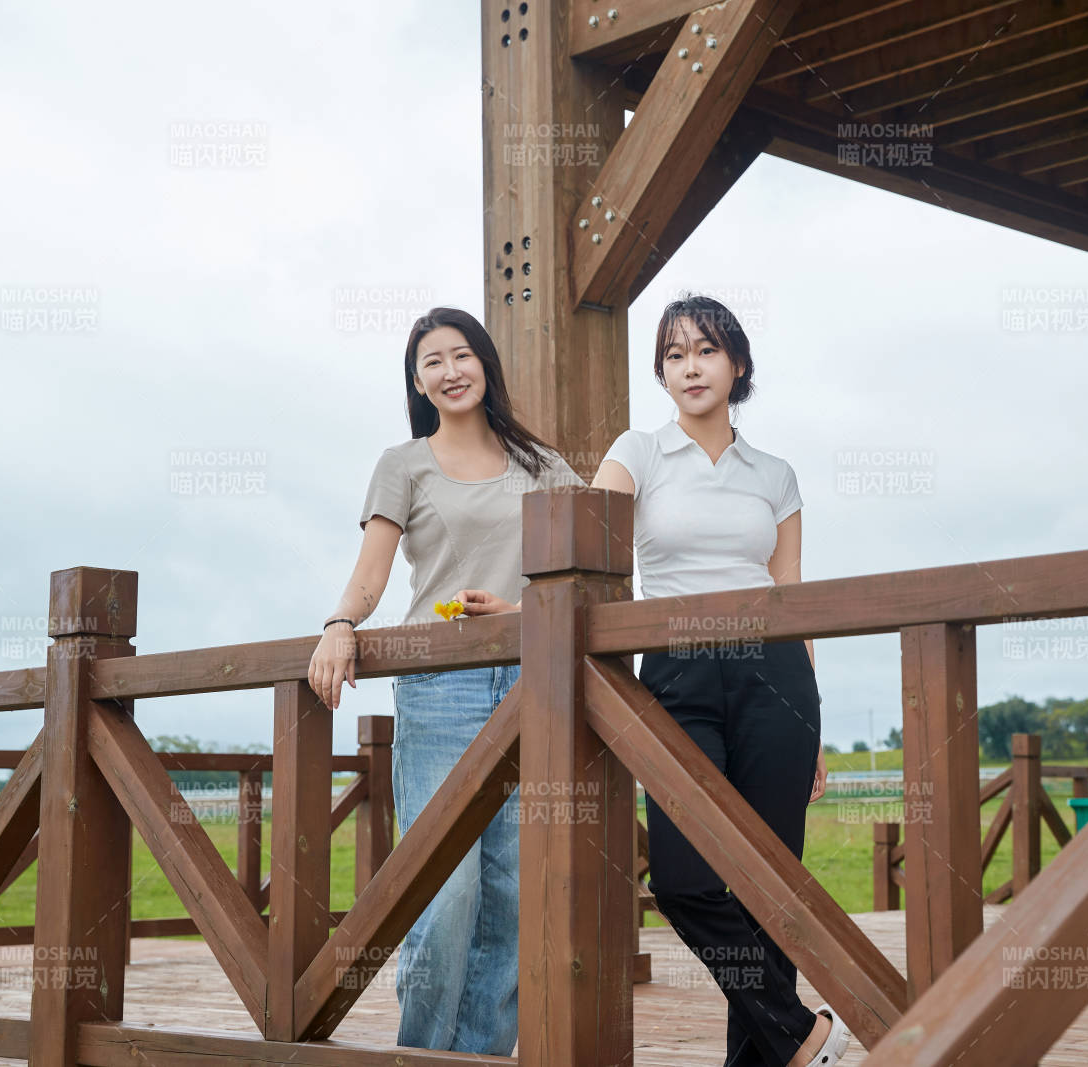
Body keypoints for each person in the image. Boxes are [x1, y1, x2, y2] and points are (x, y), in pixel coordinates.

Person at [307, 306, 584, 1053]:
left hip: (531, 682)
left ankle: (487, 1057)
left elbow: (590, 571)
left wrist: (522, 608)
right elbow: (370, 578)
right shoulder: (404, 464)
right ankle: (424, 1053)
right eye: (433, 361)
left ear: (486, 364)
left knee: (511, 896)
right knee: (444, 889)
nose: (451, 370)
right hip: (442, 687)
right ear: (419, 381)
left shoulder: (545, 466)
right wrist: (339, 625)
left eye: (463, 354)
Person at [591, 294, 850, 1066]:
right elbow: (589, 550)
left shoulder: (776, 473)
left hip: (774, 674)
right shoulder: (634, 454)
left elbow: (791, 595)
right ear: (661, 373)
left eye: (705, 349)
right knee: (684, 880)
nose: (690, 365)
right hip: (674, 668)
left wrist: (817, 726)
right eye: (674, 354)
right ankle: (806, 1034)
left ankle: (769, 1055)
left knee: (772, 888)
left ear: (737, 362)